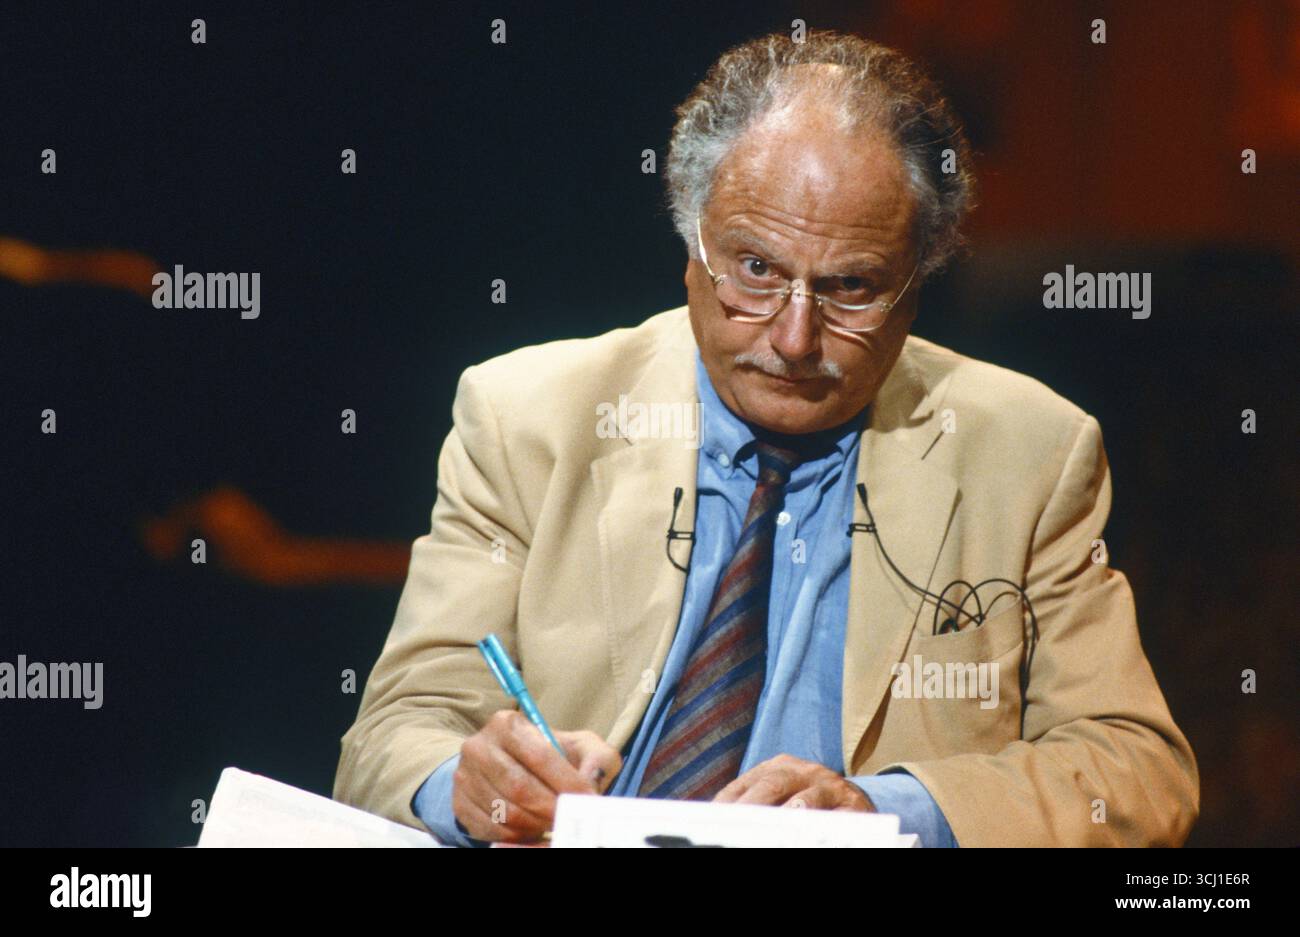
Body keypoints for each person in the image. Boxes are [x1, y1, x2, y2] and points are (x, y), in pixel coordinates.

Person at [334, 30, 1198, 847]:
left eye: (851, 287)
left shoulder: (1028, 451)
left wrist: (886, 812)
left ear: (918, 283)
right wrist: (469, 780)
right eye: (756, 270)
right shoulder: (529, 416)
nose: (793, 337)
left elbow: (1140, 771)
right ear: (691, 244)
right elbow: (390, 735)